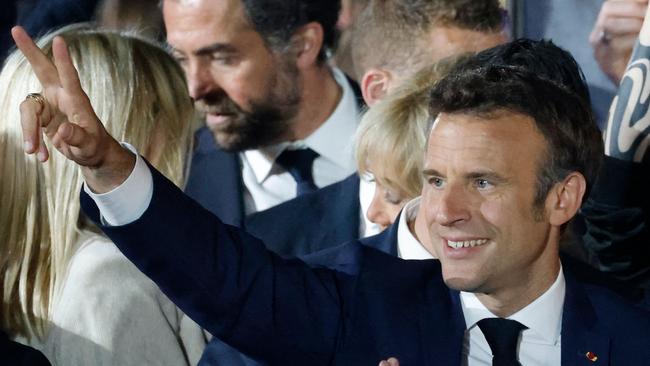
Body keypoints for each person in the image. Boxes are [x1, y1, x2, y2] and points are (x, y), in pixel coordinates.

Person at [14, 22, 650, 363]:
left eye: (482, 182)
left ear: (562, 199)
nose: (444, 210)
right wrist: (105, 164)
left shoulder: (633, 334)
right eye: (434, 180)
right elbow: (222, 275)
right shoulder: (358, 307)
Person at [1, 25, 206, 365]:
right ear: (133, 129)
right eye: (174, 117)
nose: (192, 142)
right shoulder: (110, 278)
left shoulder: (58, 276)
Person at [243, 0, 507, 257]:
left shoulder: (530, 229)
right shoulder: (268, 247)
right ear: (379, 91)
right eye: (456, 84)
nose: (490, 105)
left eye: (502, 80)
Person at [171, 0, 362, 226]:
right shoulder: (174, 179)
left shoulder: (410, 150)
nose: (195, 89)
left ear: (302, 45)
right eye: (181, 59)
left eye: (222, 59)